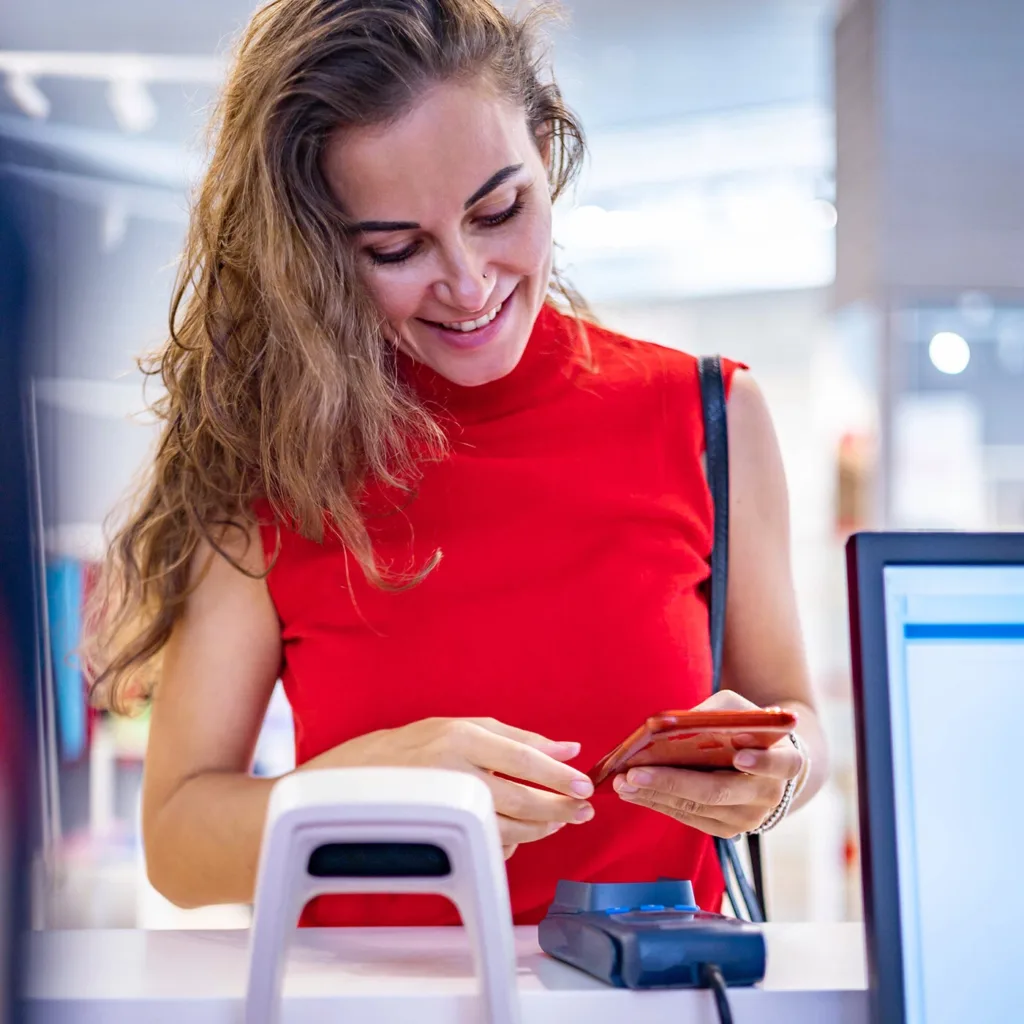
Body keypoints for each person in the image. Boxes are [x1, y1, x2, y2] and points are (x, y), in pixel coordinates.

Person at [88, 0, 828, 927]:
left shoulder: (711, 413)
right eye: (396, 247)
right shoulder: (270, 465)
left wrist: (779, 778)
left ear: (549, 156)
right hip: (370, 1001)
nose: (470, 284)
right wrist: (371, 782)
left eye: (499, 210)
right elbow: (179, 844)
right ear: (315, 250)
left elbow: (792, 713)